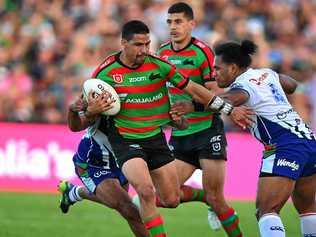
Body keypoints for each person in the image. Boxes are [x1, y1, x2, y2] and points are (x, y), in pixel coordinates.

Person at [91, 20, 253, 236]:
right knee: (146, 192)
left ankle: (207, 198)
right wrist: (87, 111)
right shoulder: (105, 72)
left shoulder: (162, 63)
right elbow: (84, 106)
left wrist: (228, 109)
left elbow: (195, 89)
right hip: (126, 139)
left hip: (167, 137)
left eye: (147, 44)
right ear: (123, 43)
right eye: (139, 45)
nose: (144, 50)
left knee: (171, 199)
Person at [156, 3, 243, 236]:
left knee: (217, 198)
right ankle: (203, 197)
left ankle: (215, 205)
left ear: (191, 24)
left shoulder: (203, 52)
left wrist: (191, 105)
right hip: (180, 135)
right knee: (165, 197)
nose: (173, 27)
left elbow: (217, 96)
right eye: (170, 22)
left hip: (207, 132)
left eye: (179, 22)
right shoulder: (162, 53)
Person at [213, 39, 316, 237]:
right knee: (308, 208)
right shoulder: (266, 73)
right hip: (309, 142)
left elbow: (231, 99)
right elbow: (292, 85)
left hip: (284, 146)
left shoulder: (242, 85)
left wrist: (195, 103)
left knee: (266, 210)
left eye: (218, 68)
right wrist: (273, 82)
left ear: (233, 68)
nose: (214, 73)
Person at [58, 90, 149, 237]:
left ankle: (74, 192)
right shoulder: (104, 99)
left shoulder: (140, 100)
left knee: (121, 204)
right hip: (92, 164)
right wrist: (72, 110)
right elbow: (75, 127)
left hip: (121, 161)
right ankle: (74, 193)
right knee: (129, 209)